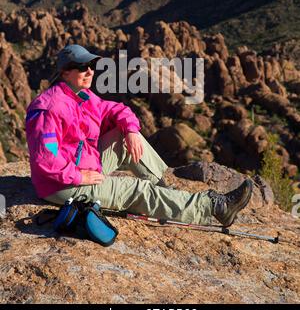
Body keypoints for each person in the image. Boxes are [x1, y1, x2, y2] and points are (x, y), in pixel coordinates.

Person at [25, 44, 253, 227]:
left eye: (92, 66)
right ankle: (213, 207)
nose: (90, 71)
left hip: (84, 166)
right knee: (136, 190)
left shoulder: (82, 96)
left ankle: (166, 195)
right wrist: (79, 178)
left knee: (126, 138)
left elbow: (116, 109)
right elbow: (46, 159)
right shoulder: (48, 108)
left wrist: (131, 130)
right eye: (83, 67)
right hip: (62, 185)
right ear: (65, 72)